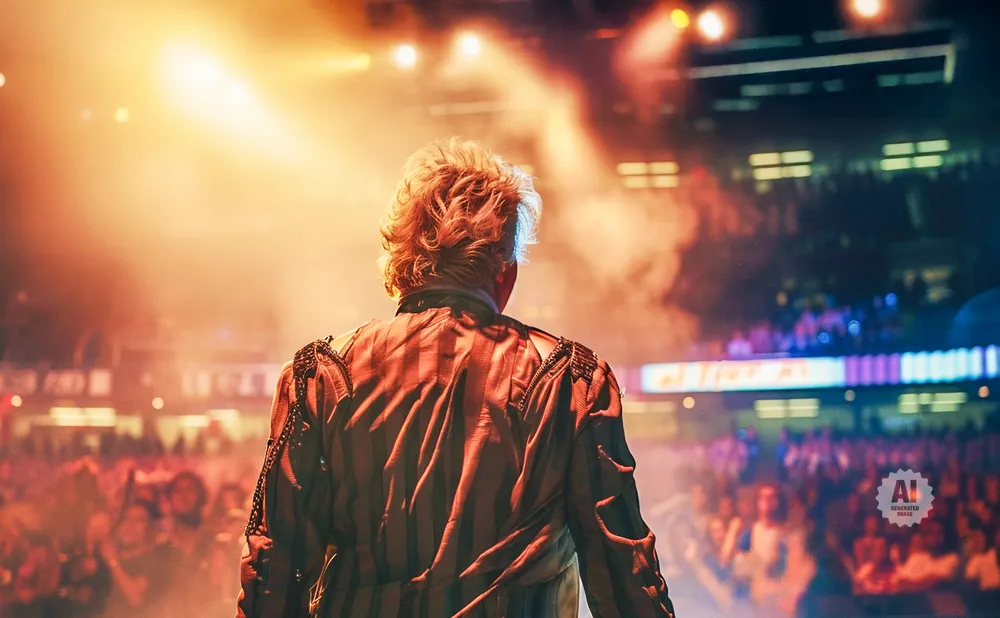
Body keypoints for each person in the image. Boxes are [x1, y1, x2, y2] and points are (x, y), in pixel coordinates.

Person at [236, 139, 676, 618]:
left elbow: (273, 574)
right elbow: (622, 573)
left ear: (399, 267)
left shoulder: (320, 376)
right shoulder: (570, 380)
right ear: (504, 275)